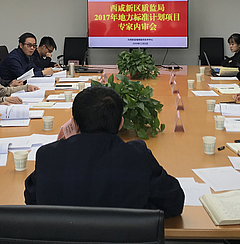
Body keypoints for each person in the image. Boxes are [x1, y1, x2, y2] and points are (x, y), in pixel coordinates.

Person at [24, 86, 185, 218]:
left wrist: (60, 147)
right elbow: (174, 203)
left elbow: (32, 201)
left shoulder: (48, 156)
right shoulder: (137, 156)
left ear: (74, 124)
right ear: (121, 123)